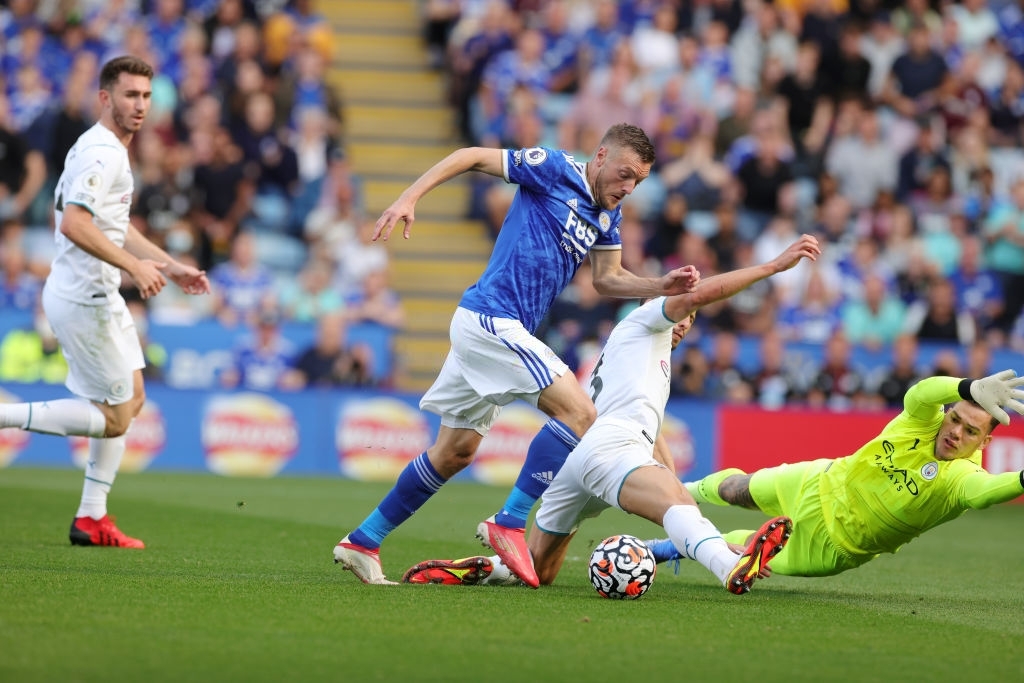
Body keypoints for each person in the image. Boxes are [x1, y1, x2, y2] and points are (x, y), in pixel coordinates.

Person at [333, 123, 701, 586]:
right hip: (490, 319)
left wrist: (656, 285)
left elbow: (607, 278)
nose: (628, 188)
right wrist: (410, 197)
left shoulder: (609, 215)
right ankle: (507, 522)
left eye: (639, 182)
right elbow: (469, 155)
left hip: (499, 333)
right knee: (579, 412)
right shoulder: (551, 168)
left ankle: (363, 540)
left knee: (455, 452)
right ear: (602, 156)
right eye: (625, 174)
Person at [401, 235, 823, 591]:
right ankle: (728, 566)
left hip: (584, 456)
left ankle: (480, 570)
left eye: (690, 318)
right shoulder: (643, 322)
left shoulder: (645, 359)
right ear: (657, 300)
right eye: (680, 310)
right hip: (610, 446)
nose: (684, 320)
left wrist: (681, 499)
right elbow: (699, 293)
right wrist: (772, 267)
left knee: (539, 568)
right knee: (674, 505)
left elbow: (653, 439)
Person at [0, 56, 211, 549]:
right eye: (129, 95)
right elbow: (75, 223)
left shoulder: (109, 148)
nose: (139, 105)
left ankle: (92, 518)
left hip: (98, 294)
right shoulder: (103, 152)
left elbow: (112, 224)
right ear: (105, 98)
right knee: (114, 417)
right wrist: (133, 268)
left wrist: (165, 265)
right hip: (85, 298)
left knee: (132, 399)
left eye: (145, 96)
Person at [642, 370, 1024, 578]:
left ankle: (663, 549)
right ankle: (670, 489)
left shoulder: (961, 477)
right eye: (955, 418)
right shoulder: (923, 421)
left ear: (984, 443)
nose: (956, 432)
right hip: (819, 480)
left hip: (833, 545)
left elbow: (985, 492)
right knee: (734, 488)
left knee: (740, 553)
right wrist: (967, 386)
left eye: (971, 431)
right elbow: (922, 393)